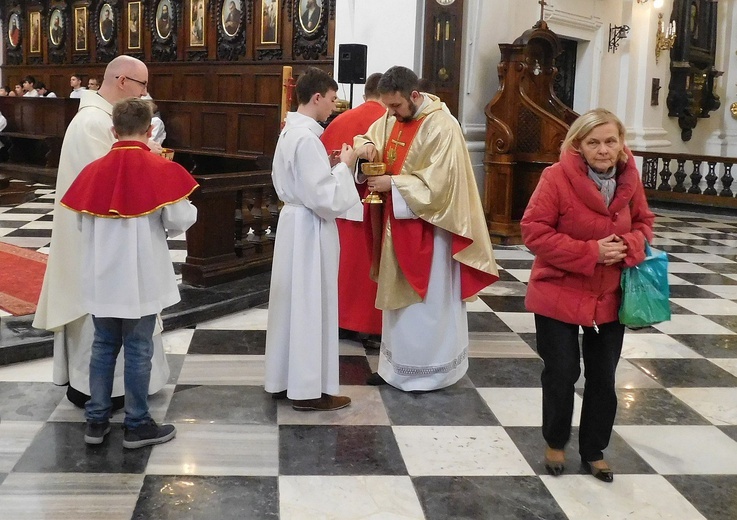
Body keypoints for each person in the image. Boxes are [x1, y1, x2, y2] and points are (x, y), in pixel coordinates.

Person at [520, 108, 655, 483]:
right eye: (593, 142)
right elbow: (534, 232)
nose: (603, 149)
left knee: (603, 377)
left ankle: (594, 449)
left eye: (610, 141)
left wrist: (628, 245)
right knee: (562, 372)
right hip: (558, 291)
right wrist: (591, 252)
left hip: (609, 295)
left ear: (621, 143)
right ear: (578, 145)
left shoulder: (630, 178)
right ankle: (555, 442)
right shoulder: (556, 177)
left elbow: (645, 223)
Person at [60, 97, 198, 448]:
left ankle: (96, 421)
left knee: (103, 346)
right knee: (138, 349)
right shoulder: (159, 168)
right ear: (150, 129)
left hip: (101, 278)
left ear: (113, 130)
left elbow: (79, 224)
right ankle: (137, 424)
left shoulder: (91, 173)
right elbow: (180, 220)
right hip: (140, 279)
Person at [34, 56, 167, 412]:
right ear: (122, 81)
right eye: (142, 85)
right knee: (109, 332)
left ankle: (98, 400)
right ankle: (109, 396)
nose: (145, 92)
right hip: (106, 248)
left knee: (105, 334)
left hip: (103, 243)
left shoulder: (99, 118)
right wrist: (149, 156)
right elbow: (118, 181)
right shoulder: (95, 122)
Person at [353, 66, 498, 392]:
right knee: (399, 308)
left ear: (414, 96)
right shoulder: (392, 119)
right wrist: (365, 147)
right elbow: (369, 134)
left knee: (427, 306)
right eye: (388, 107)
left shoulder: (441, 126)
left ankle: (432, 372)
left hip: (433, 230)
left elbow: (442, 186)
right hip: (397, 228)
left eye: (396, 106)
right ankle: (395, 370)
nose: (390, 113)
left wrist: (394, 184)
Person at [263, 67, 359, 411]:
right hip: (308, 228)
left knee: (292, 304)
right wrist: (345, 165)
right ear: (316, 97)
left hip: (295, 224)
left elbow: (306, 183)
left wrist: (329, 167)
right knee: (309, 305)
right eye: (332, 99)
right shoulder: (306, 138)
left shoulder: (292, 131)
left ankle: (283, 379)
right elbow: (325, 198)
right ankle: (308, 391)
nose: (334, 106)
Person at [320, 72, 386, 348]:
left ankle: (341, 322)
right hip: (374, 208)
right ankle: (370, 327)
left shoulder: (340, 120)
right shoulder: (387, 122)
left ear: (364, 94)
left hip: (338, 206)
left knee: (343, 265)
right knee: (370, 266)